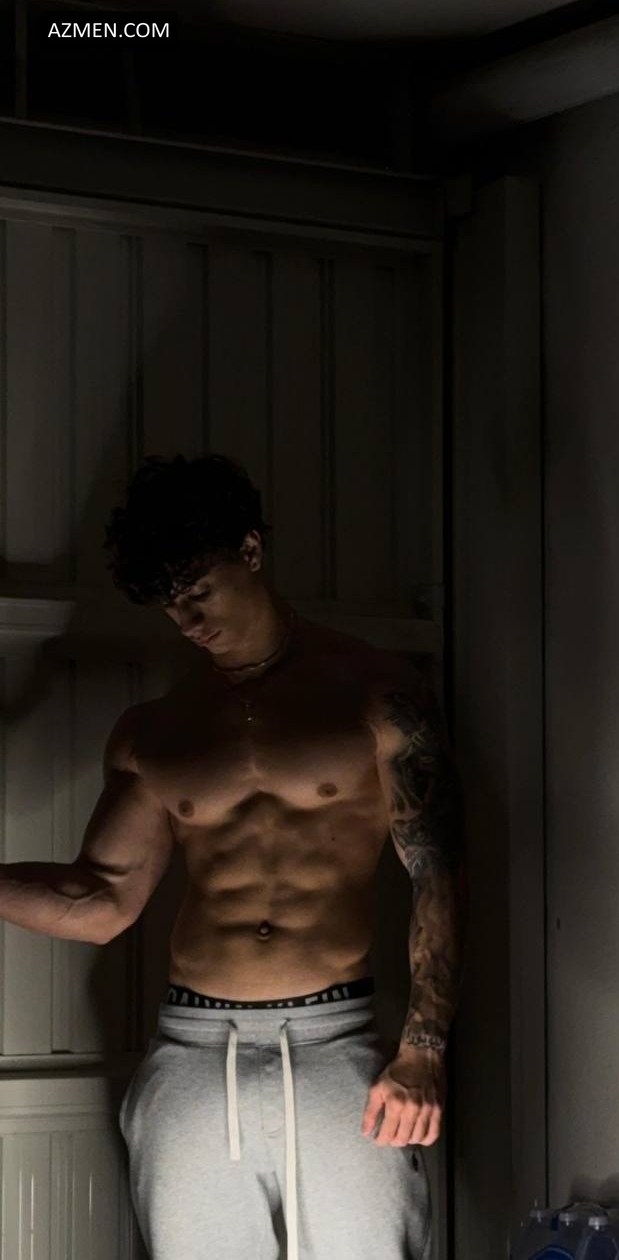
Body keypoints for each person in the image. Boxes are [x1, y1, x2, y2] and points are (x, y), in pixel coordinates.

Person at [0, 453, 466, 1260]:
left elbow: (436, 873)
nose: (187, 621)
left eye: (198, 592)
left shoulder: (374, 695)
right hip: (191, 1053)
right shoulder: (156, 732)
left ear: (249, 551)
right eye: (168, 605)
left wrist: (423, 1050)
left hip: (335, 1047)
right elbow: (101, 901)